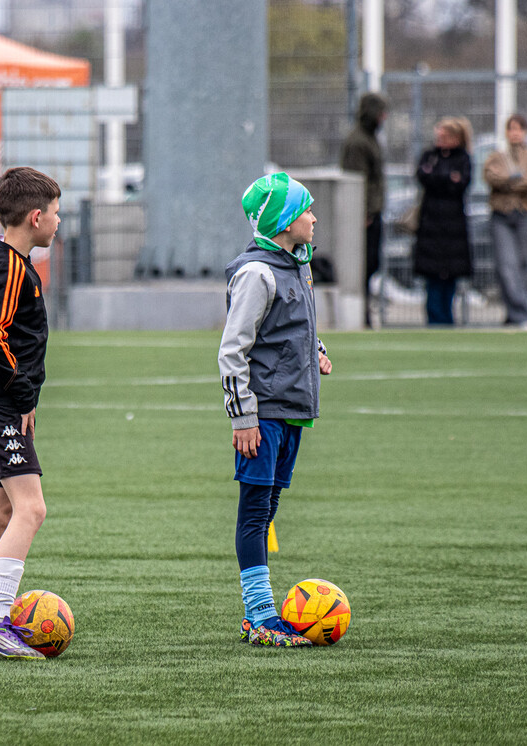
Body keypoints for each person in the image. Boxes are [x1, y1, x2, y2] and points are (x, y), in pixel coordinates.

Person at [219, 172, 332, 648]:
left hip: (291, 410)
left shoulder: (296, 264)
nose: (314, 217)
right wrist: (243, 417)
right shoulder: (257, 273)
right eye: (306, 210)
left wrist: (315, 351)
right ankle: (260, 615)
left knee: (268, 508)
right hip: (263, 414)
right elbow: (233, 350)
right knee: (254, 511)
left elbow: (289, 327)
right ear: (285, 222)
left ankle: (259, 614)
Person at [0, 167, 60, 660]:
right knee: (31, 509)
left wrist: (27, 399)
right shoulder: (10, 268)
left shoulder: (18, 264)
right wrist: (22, 396)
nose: (59, 222)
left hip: (0, 402)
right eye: (57, 213)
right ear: (36, 217)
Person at [483, 114, 527, 329]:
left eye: (519, 129)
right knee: (506, 266)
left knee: (526, 265)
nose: (515, 133)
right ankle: (521, 314)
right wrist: (515, 180)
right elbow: (492, 177)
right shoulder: (497, 157)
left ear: (525, 132)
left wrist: (509, 181)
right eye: (511, 129)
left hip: (526, 213)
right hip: (502, 215)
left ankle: (516, 312)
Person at [413, 117, 473, 326]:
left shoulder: (462, 158)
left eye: (445, 136)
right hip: (430, 227)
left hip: (453, 228)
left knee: (450, 277)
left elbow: (461, 182)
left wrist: (439, 178)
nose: (440, 140)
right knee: (432, 277)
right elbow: (424, 177)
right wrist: (447, 178)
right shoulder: (430, 156)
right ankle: (434, 319)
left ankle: (447, 320)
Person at [339, 92, 388, 323]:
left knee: (371, 265)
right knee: (364, 266)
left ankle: (365, 313)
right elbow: (357, 181)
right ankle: (361, 315)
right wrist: (364, 212)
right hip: (365, 215)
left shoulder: (369, 138)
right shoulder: (359, 141)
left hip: (372, 212)